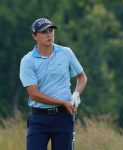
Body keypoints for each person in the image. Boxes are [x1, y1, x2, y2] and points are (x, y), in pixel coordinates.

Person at [19, 18, 87, 150]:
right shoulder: (28, 61)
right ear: (35, 36)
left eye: (51, 31)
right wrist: (63, 102)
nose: (49, 34)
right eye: (44, 32)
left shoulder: (66, 52)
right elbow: (34, 94)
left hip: (63, 118)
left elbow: (82, 77)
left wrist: (76, 94)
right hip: (39, 118)